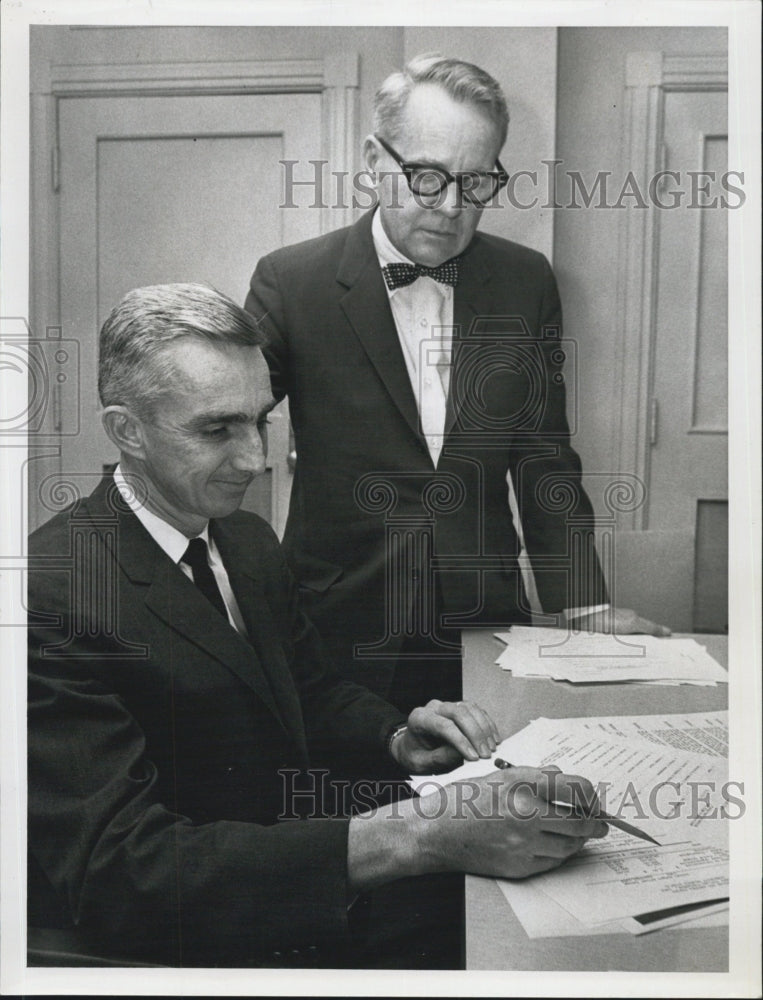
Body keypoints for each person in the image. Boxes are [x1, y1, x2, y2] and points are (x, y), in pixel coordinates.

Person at [27, 283, 608, 969]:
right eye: (217, 430)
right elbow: (118, 875)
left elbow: (307, 689)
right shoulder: (49, 593)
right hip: (201, 937)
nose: (253, 459)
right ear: (126, 430)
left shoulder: (243, 539)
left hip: (297, 867)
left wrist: (397, 737)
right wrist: (413, 836)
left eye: (259, 422)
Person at [245, 53, 669, 714]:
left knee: (489, 801)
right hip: (337, 623)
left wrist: (583, 605)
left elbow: (542, 456)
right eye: (425, 177)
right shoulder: (290, 280)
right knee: (356, 803)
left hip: (483, 619)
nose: (449, 208)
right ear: (371, 161)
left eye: (475, 183)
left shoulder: (525, 282)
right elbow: (222, 423)